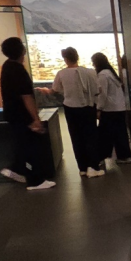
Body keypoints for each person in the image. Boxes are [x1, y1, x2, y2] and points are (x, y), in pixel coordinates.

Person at [0, 37, 55, 191]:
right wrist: (35, 118)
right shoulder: (18, 70)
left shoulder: (7, 66)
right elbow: (26, 96)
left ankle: (18, 169)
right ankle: (34, 180)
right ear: (21, 50)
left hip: (13, 114)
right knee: (32, 146)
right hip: (22, 115)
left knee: (24, 144)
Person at [50, 47, 103, 178]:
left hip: (70, 108)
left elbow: (55, 89)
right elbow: (98, 90)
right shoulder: (90, 72)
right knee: (90, 136)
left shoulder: (61, 73)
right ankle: (93, 166)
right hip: (88, 107)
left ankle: (82, 167)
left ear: (65, 59)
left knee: (76, 136)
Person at [92, 52, 131, 165]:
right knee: (120, 133)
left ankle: (101, 156)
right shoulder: (111, 73)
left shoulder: (102, 75)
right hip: (119, 108)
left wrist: (99, 108)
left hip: (109, 109)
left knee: (104, 135)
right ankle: (124, 155)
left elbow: (103, 94)